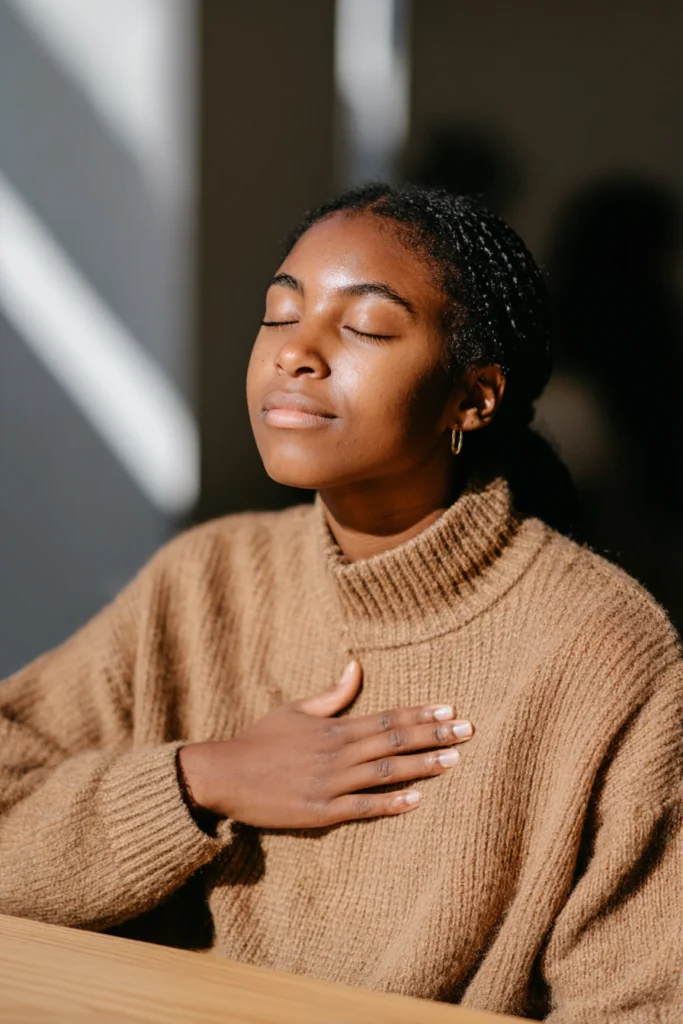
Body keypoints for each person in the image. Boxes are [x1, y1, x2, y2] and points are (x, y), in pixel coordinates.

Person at [0, 184, 681, 1022]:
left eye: (363, 326)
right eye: (279, 316)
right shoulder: (204, 578)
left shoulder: (604, 650)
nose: (295, 353)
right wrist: (202, 778)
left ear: (474, 396)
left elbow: (641, 1003)